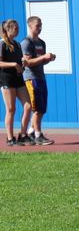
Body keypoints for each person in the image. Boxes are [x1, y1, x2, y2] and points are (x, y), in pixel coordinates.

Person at [21, 16, 55, 145]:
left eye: (41, 25)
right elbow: (27, 62)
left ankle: (31, 132)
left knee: (42, 108)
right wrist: (43, 58)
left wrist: (48, 59)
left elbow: (40, 62)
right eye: (37, 26)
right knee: (36, 108)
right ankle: (38, 135)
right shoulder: (26, 42)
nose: (40, 28)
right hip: (31, 78)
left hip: (41, 77)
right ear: (30, 26)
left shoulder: (42, 43)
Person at [0, 19, 33, 147]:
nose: (18, 30)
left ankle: (23, 135)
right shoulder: (2, 44)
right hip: (6, 79)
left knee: (28, 106)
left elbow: (20, 61)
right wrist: (13, 64)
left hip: (18, 78)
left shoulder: (18, 44)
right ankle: (9, 138)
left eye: (18, 28)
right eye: (15, 28)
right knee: (11, 109)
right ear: (8, 29)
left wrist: (23, 62)